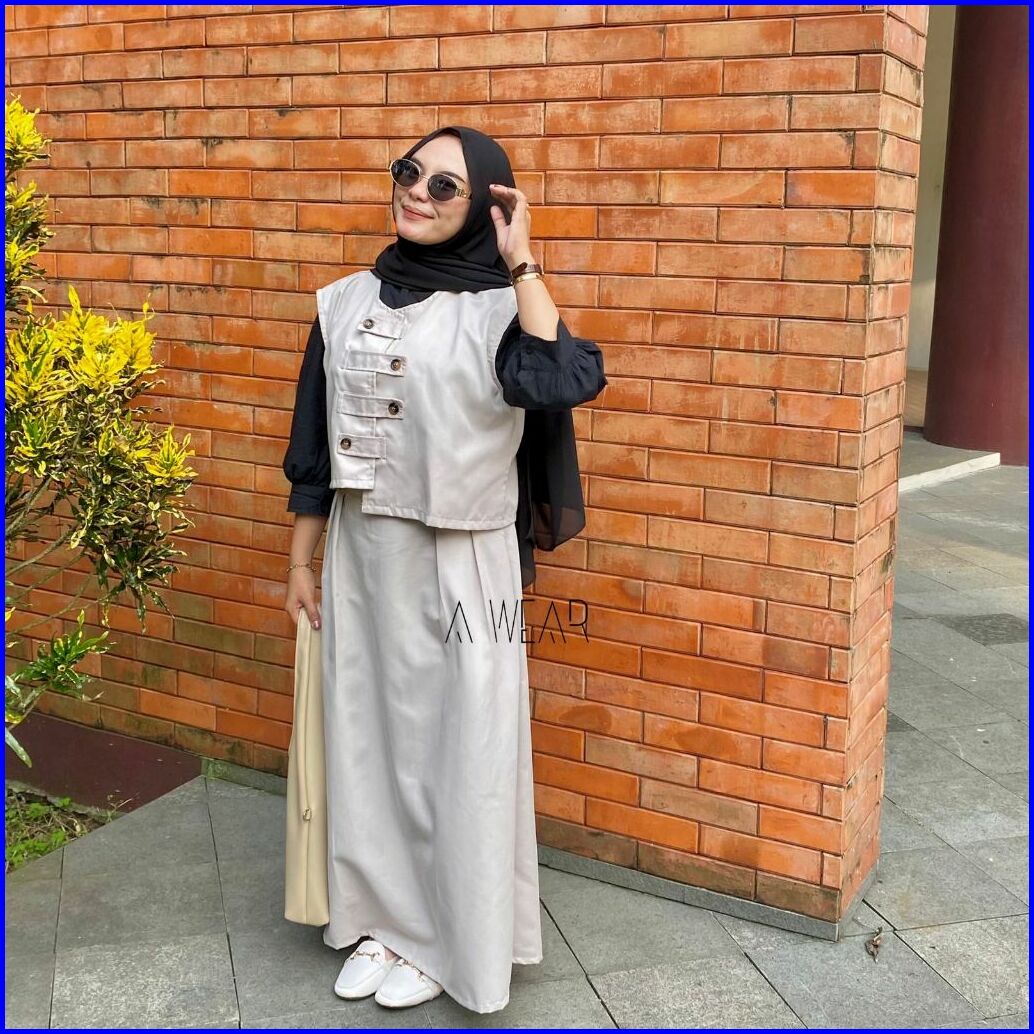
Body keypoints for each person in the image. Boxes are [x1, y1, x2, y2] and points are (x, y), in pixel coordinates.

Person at [281, 125, 607, 1014]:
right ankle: (381, 921)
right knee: (368, 739)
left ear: (484, 204)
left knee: (462, 749)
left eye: (445, 186)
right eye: (409, 172)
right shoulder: (344, 302)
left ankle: (446, 938)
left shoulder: (504, 311)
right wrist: (302, 562)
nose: (417, 192)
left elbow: (564, 379)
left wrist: (522, 262)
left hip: (466, 561)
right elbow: (313, 447)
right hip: (362, 556)